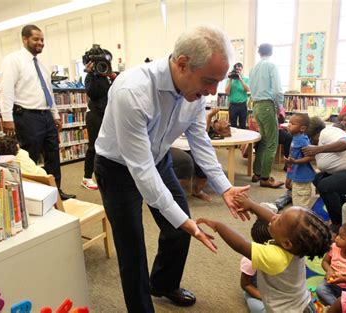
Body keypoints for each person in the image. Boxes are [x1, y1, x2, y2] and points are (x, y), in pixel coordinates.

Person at [93, 25, 250, 312]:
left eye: (218, 81)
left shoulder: (196, 93)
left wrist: (224, 186)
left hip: (158, 158)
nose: (212, 91)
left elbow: (199, 139)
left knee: (179, 227)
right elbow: (141, 171)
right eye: (208, 81)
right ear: (182, 64)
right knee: (133, 249)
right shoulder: (133, 90)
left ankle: (163, 284)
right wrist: (183, 220)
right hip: (118, 169)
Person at [198, 193, 331, 313]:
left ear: (286, 243)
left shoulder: (276, 258)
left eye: (279, 221)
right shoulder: (298, 245)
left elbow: (241, 245)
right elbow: (272, 217)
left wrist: (218, 226)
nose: (274, 217)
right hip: (303, 304)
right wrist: (252, 206)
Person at [0, 24, 75, 200]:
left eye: (42, 40)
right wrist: (7, 118)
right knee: (29, 157)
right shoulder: (13, 60)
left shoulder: (42, 65)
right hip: (26, 116)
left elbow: (48, 91)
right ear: (25, 39)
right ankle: (30, 196)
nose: (40, 43)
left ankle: (55, 191)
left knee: (53, 155)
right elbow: (6, 89)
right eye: (36, 39)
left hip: (46, 116)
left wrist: (55, 114)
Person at [249, 43, 284, 188]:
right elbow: (277, 90)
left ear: (259, 53)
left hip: (256, 105)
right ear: (271, 52)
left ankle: (257, 173)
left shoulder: (253, 69)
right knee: (272, 142)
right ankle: (265, 178)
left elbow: (251, 89)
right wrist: (279, 105)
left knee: (263, 141)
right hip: (267, 106)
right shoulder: (271, 66)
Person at [81, 58, 118, 190]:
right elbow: (92, 93)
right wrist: (92, 74)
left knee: (110, 145)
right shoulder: (91, 77)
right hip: (95, 114)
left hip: (109, 115)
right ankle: (86, 178)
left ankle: (108, 175)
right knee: (93, 146)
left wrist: (112, 75)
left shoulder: (111, 75)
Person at [240, 212, 274, 313]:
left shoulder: (285, 253)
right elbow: (245, 285)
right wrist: (265, 298)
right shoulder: (250, 260)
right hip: (256, 292)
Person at [284, 113, 315, 208]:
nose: (289, 125)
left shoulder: (303, 140)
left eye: (293, 124)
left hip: (303, 177)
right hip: (296, 175)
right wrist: (288, 177)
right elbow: (292, 158)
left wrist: (295, 162)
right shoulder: (295, 138)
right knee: (296, 200)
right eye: (289, 122)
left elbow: (311, 157)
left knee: (301, 205)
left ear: (302, 128)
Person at [225, 62, 250, 129]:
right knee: (233, 127)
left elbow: (248, 90)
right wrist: (230, 79)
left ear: (242, 70)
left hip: (243, 105)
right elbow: (227, 92)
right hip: (233, 105)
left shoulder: (246, 79)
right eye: (236, 69)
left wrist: (241, 80)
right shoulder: (229, 80)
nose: (238, 71)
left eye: (239, 69)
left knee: (243, 126)